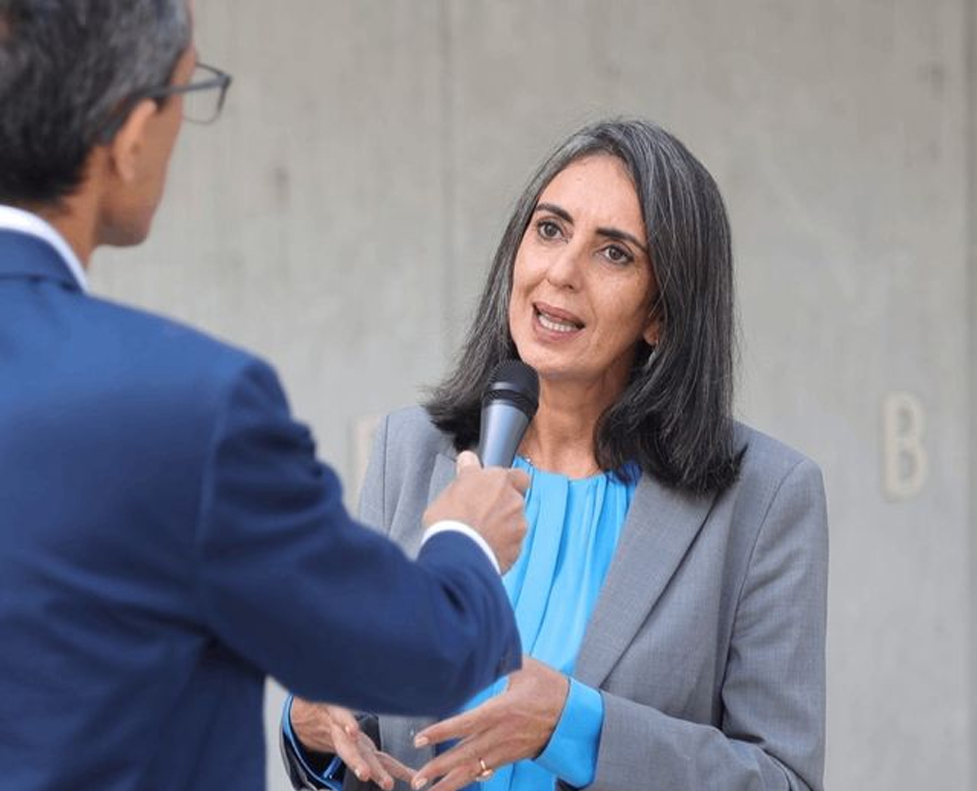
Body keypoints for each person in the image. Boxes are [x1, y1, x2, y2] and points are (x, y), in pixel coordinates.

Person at [0, 3, 531, 790]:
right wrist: (468, 537)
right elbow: (426, 652)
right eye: (187, 92)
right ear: (133, 131)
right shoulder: (192, 409)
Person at [282, 119, 828, 791]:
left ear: (660, 313)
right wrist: (313, 725)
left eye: (614, 253)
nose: (562, 272)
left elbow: (783, 779)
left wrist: (576, 727)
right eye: (550, 230)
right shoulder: (411, 450)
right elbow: (360, 710)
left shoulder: (767, 496)